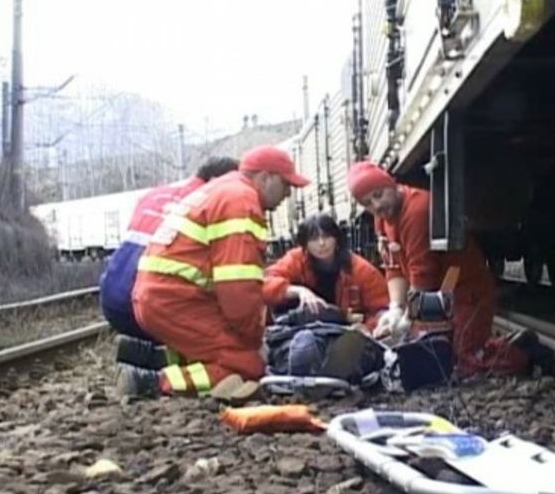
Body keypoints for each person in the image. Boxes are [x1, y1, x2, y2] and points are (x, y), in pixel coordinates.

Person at [118, 145, 310, 401]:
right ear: (265, 178)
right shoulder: (242, 202)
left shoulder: (224, 188)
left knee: (215, 349)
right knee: (247, 364)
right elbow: (237, 289)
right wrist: (254, 339)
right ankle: (152, 382)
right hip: (176, 299)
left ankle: (148, 357)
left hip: (158, 294)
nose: (288, 194)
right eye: (286, 184)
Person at [349, 160, 551, 376]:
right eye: (368, 202)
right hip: (441, 294)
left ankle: (528, 354)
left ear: (391, 184)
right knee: (439, 355)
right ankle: (513, 344)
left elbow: (422, 275)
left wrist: (407, 321)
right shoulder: (383, 218)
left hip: (466, 290)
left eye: (378, 195)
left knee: (467, 361)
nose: (376, 206)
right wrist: (396, 307)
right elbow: (394, 266)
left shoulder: (416, 211)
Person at [100, 157, 238, 368]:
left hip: (111, 302)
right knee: (223, 344)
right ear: (218, 180)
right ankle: (160, 360)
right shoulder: (208, 201)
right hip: (147, 307)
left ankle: (143, 348)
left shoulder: (153, 194)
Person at [263, 213, 389, 327]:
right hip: (303, 330)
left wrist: (367, 327)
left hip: (346, 335)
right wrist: (298, 291)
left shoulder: (360, 270)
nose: (321, 243)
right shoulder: (296, 260)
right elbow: (263, 284)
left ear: (337, 238)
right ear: (304, 244)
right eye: (314, 239)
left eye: (327, 236)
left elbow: (382, 309)